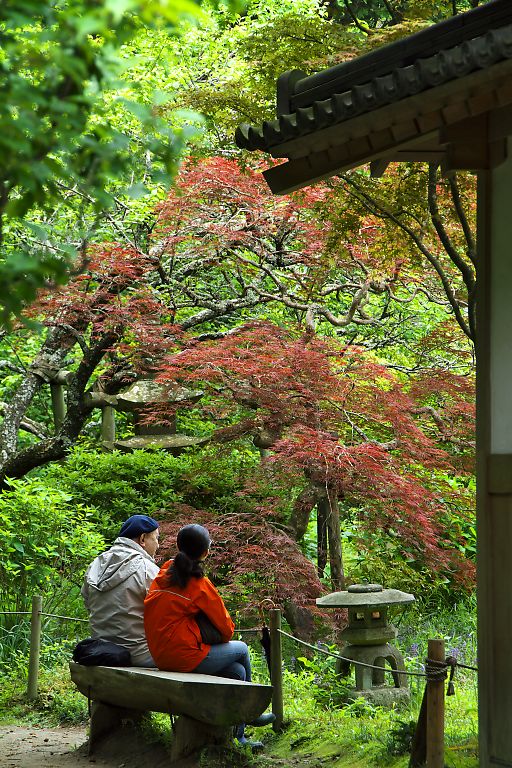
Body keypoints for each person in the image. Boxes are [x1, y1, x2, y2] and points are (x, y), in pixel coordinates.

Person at [144, 523, 274, 749]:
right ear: (205, 553)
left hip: (159, 654)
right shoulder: (199, 584)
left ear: (178, 546)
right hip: (182, 656)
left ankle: (238, 737)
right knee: (242, 649)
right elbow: (227, 629)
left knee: (237, 672)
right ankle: (249, 713)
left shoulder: (164, 572)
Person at [81, 514, 160, 667]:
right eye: (156, 539)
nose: (158, 545)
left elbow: (87, 602)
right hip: (140, 654)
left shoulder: (96, 564)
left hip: (102, 651)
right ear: (143, 539)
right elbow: (165, 615)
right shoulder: (148, 570)